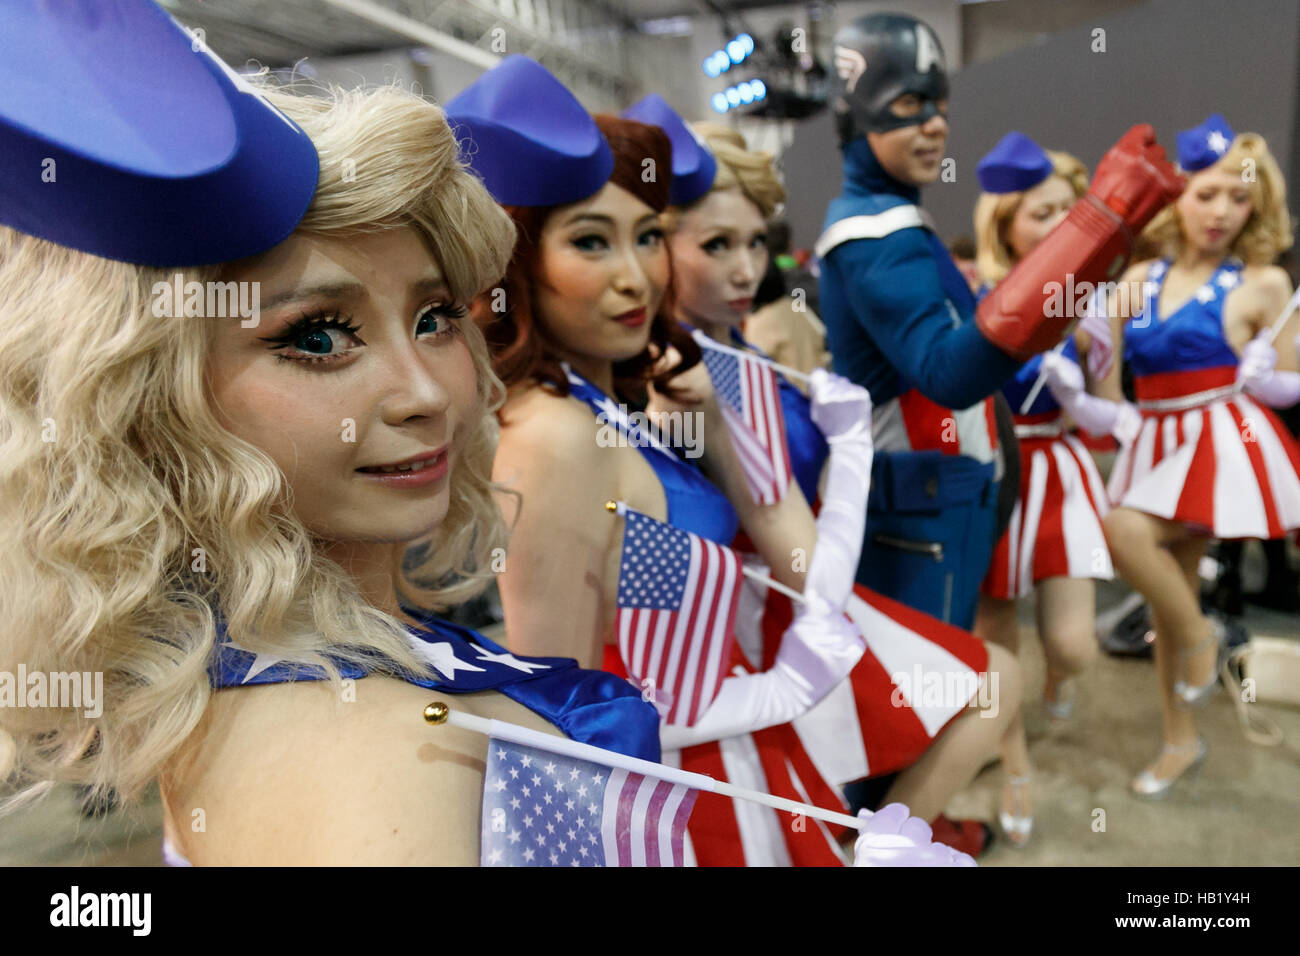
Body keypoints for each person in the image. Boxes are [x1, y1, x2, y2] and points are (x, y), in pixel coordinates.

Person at [0, 4, 662, 866]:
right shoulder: (389, 759)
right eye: (317, 337)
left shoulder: (276, 681)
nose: (428, 392)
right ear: (143, 397)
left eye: (434, 316)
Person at [454, 56, 971, 865]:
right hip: (678, 789)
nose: (636, 277)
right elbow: (561, 716)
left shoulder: (609, 404)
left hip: (727, 755)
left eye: (648, 237)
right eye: (591, 241)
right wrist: (768, 691)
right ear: (520, 260)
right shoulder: (552, 434)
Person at [632, 96, 1020, 856]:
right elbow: (776, 532)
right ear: (651, 245)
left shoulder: (730, 351)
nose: (748, 269)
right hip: (745, 626)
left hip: (792, 599)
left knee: (989, 683)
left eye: (755, 243)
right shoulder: (674, 376)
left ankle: (886, 840)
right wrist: (848, 454)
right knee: (990, 681)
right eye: (716, 245)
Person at [817, 12, 1182, 635]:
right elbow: (950, 372)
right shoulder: (874, 235)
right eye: (907, 103)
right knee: (929, 690)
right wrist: (1098, 226)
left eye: (938, 103)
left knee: (948, 673)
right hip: (918, 500)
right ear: (857, 114)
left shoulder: (894, 224)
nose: (934, 122)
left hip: (942, 493)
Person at [1100, 114, 1300, 798]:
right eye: (1205, 194)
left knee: (1127, 532)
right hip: (1149, 438)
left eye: (1237, 198)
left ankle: (1201, 641)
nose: (1220, 212)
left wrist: (1269, 374)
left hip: (1216, 443)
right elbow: (1101, 365)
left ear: (1256, 206)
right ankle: (1180, 735)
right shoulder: (1141, 276)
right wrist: (1095, 395)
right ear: (1177, 196)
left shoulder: (1266, 283)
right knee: (1166, 601)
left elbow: (1293, 380)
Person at [970, 131, 1140, 845]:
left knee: (1073, 645)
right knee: (997, 632)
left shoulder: (1094, 307)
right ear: (1004, 221)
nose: (1061, 226)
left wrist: (1080, 393)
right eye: (1043, 212)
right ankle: (1012, 764)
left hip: (1063, 470)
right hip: (996, 471)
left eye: (1073, 213)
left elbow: (1114, 414)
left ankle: (1057, 682)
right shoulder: (975, 297)